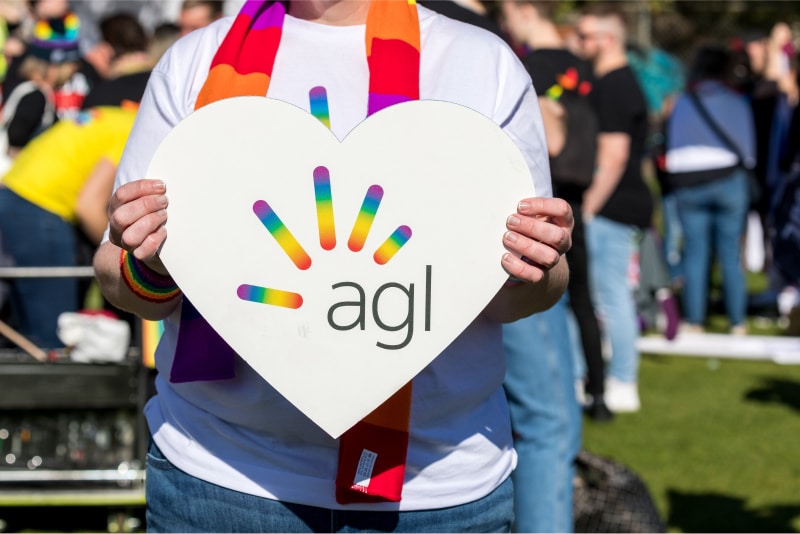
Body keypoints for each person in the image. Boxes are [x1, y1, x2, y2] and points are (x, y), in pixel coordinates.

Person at [92, 1, 573, 532]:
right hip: (222, 474)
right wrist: (150, 262)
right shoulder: (195, 61)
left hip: (436, 485)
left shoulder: (481, 63)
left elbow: (527, 292)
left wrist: (535, 262)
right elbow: (119, 273)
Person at [0, 104, 141, 348]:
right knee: (53, 334)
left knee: (22, 329)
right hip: (41, 209)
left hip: (10, 194)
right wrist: (126, 254)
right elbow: (88, 207)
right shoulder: (134, 131)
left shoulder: (111, 117)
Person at [577, 3, 653, 413]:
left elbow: (615, 156)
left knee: (610, 293)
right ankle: (609, 377)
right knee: (602, 293)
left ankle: (623, 380)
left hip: (613, 206)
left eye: (587, 36)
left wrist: (587, 208)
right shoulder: (609, 81)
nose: (579, 42)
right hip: (614, 204)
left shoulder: (617, 86)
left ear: (607, 40)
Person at [663, 45, 756, 335]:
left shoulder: (681, 102)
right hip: (729, 181)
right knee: (730, 252)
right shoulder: (736, 102)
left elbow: (673, 146)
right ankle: (737, 321)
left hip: (689, 184)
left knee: (695, 252)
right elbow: (748, 150)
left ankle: (694, 320)